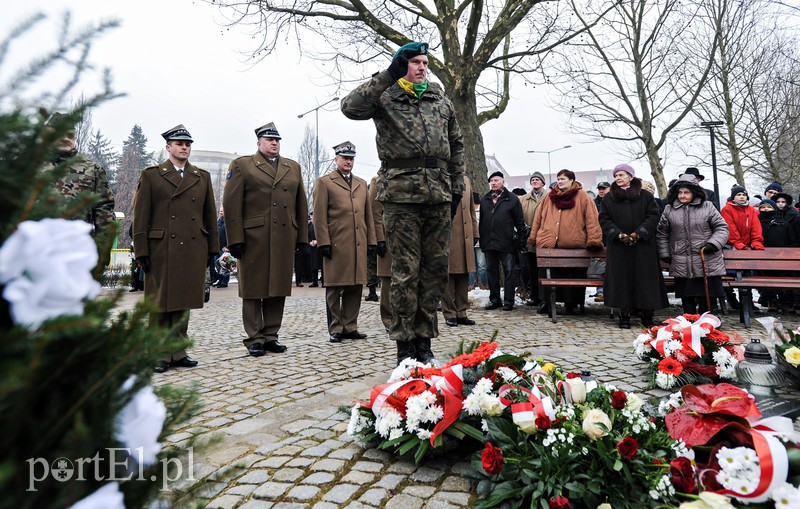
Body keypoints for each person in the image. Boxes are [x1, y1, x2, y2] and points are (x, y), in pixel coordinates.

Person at [341, 41, 465, 365]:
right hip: (401, 196)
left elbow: (457, 145)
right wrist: (387, 76)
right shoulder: (386, 95)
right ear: (402, 65)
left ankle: (424, 341)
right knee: (405, 272)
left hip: (438, 195)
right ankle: (404, 346)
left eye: (425, 62)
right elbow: (350, 107)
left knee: (435, 271)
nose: (422, 67)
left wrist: (456, 190)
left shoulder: (440, 99)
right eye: (414, 62)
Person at [133, 124, 219, 373]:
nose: (184, 147)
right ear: (168, 147)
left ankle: (178, 351)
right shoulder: (151, 175)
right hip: (161, 247)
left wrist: (212, 248)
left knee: (183, 301)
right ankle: (158, 352)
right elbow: (141, 216)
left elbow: (209, 215)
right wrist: (141, 251)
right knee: (160, 304)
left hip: (192, 246)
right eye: (179, 144)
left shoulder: (201, 177)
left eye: (188, 144)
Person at [223, 122, 308, 357]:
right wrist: (235, 238)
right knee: (253, 288)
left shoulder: (293, 167)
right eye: (269, 140)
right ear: (259, 143)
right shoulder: (243, 165)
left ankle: (271, 335)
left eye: (277, 140)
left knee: (277, 287)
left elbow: (301, 205)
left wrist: (301, 236)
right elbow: (231, 204)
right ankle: (254, 338)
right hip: (253, 238)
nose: (274, 143)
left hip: (283, 236)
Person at [313, 141, 377, 343]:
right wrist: (324, 242)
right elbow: (319, 215)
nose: (348, 162)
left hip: (358, 243)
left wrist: (372, 241)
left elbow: (368, 215)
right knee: (335, 287)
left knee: (355, 286)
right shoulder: (325, 182)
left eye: (351, 158)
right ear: (336, 159)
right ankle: (336, 328)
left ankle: (350, 326)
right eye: (345, 158)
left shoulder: (360, 183)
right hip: (336, 243)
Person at [598, 164, 668, 328]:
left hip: (643, 246)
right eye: (616, 175)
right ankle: (624, 315)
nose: (618, 178)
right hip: (619, 247)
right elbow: (604, 219)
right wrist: (618, 234)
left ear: (630, 176)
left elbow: (653, 216)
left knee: (645, 280)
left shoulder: (645, 196)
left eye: (621, 174)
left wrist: (639, 233)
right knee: (622, 280)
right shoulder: (609, 198)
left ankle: (647, 315)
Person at [528, 169, 603, 316]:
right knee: (547, 274)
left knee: (572, 275)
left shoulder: (583, 197)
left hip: (574, 245)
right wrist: (533, 237)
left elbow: (592, 220)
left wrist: (594, 240)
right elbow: (538, 219)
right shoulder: (549, 197)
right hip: (550, 244)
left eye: (563, 179)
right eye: (558, 179)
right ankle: (547, 302)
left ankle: (572, 303)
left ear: (571, 181)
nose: (560, 181)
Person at [656, 174, 729, 314]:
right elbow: (662, 233)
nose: (682, 196)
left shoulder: (708, 207)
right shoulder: (669, 209)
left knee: (707, 295)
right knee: (687, 294)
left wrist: (712, 244)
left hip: (706, 258)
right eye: (680, 192)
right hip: (681, 259)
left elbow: (722, 228)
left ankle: (707, 321)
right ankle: (688, 321)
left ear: (694, 192)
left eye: (686, 192)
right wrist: (665, 253)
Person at [41, 112, 115, 235]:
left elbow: (104, 211)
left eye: (70, 135)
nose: (65, 139)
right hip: (34, 245)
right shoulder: (30, 166)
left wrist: (102, 249)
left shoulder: (92, 169)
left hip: (77, 245)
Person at [480, 171, 527, 311]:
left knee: (509, 272)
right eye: (492, 181)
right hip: (489, 243)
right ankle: (495, 300)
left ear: (502, 182)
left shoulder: (512, 199)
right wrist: (482, 240)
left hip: (506, 243)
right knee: (491, 272)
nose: (494, 183)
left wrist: (522, 239)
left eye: (496, 180)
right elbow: (482, 221)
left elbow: (519, 222)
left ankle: (508, 301)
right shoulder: (485, 199)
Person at [720, 184, 764, 310]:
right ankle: (731, 298)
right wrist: (738, 244)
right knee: (735, 273)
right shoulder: (727, 209)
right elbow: (730, 229)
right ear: (733, 197)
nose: (741, 197)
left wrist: (756, 243)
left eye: (744, 195)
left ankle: (747, 301)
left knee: (748, 273)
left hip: (746, 248)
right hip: (732, 247)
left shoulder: (750, 209)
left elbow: (756, 228)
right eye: (738, 195)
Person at [443, 176, 479, 326]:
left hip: (466, 234)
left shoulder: (466, 180)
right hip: (449, 234)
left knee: (464, 274)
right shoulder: (443, 176)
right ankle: (450, 312)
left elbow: (471, 209)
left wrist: (475, 232)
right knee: (449, 275)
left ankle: (461, 311)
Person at [757, 197, 798, 313]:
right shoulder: (758, 222)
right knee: (767, 280)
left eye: (768, 207)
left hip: (783, 257)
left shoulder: (783, 223)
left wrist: (790, 254)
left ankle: (786, 302)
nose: (765, 210)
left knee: (785, 279)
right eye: (763, 207)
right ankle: (772, 301)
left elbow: (792, 240)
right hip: (764, 257)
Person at [520, 172, 548, 306]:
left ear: (543, 183)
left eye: (538, 180)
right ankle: (535, 296)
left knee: (543, 270)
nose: (535, 181)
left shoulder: (549, 197)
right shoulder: (524, 199)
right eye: (533, 180)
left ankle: (544, 297)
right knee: (531, 269)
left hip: (544, 239)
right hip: (529, 238)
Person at [369, 176, 393, 333]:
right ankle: (389, 319)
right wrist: (379, 239)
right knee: (387, 279)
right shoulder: (378, 181)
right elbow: (375, 213)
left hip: (407, 237)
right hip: (387, 237)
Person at [591, 181, 612, 303]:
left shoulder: (613, 201)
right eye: (599, 189)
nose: (601, 191)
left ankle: (610, 291)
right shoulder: (594, 203)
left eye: (604, 188)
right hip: (599, 238)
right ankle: (600, 291)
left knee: (610, 266)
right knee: (599, 265)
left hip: (611, 236)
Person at [212, 206, 230, 288]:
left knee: (225, 264)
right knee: (218, 264)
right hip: (218, 246)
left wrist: (228, 246)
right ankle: (220, 279)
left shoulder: (228, 221)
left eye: (222, 211)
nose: (220, 212)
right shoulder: (219, 220)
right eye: (220, 211)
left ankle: (224, 281)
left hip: (225, 247)